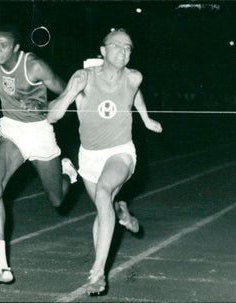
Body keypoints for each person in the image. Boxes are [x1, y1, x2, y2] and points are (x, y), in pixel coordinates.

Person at [48, 28, 162, 296]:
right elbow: (52, 116)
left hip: (121, 152)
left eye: (128, 47)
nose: (123, 51)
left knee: (102, 194)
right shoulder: (84, 77)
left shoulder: (134, 76)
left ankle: (98, 272)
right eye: (117, 46)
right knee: (104, 207)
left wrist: (145, 119)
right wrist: (69, 95)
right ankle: (122, 211)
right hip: (89, 156)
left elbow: (135, 93)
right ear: (102, 50)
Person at [0, 25, 78, 284]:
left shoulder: (34, 67)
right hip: (12, 131)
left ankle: (68, 172)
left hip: (40, 131)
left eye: (3, 45)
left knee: (57, 199)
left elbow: (68, 92)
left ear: (16, 48)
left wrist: (42, 104)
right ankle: (1, 263)